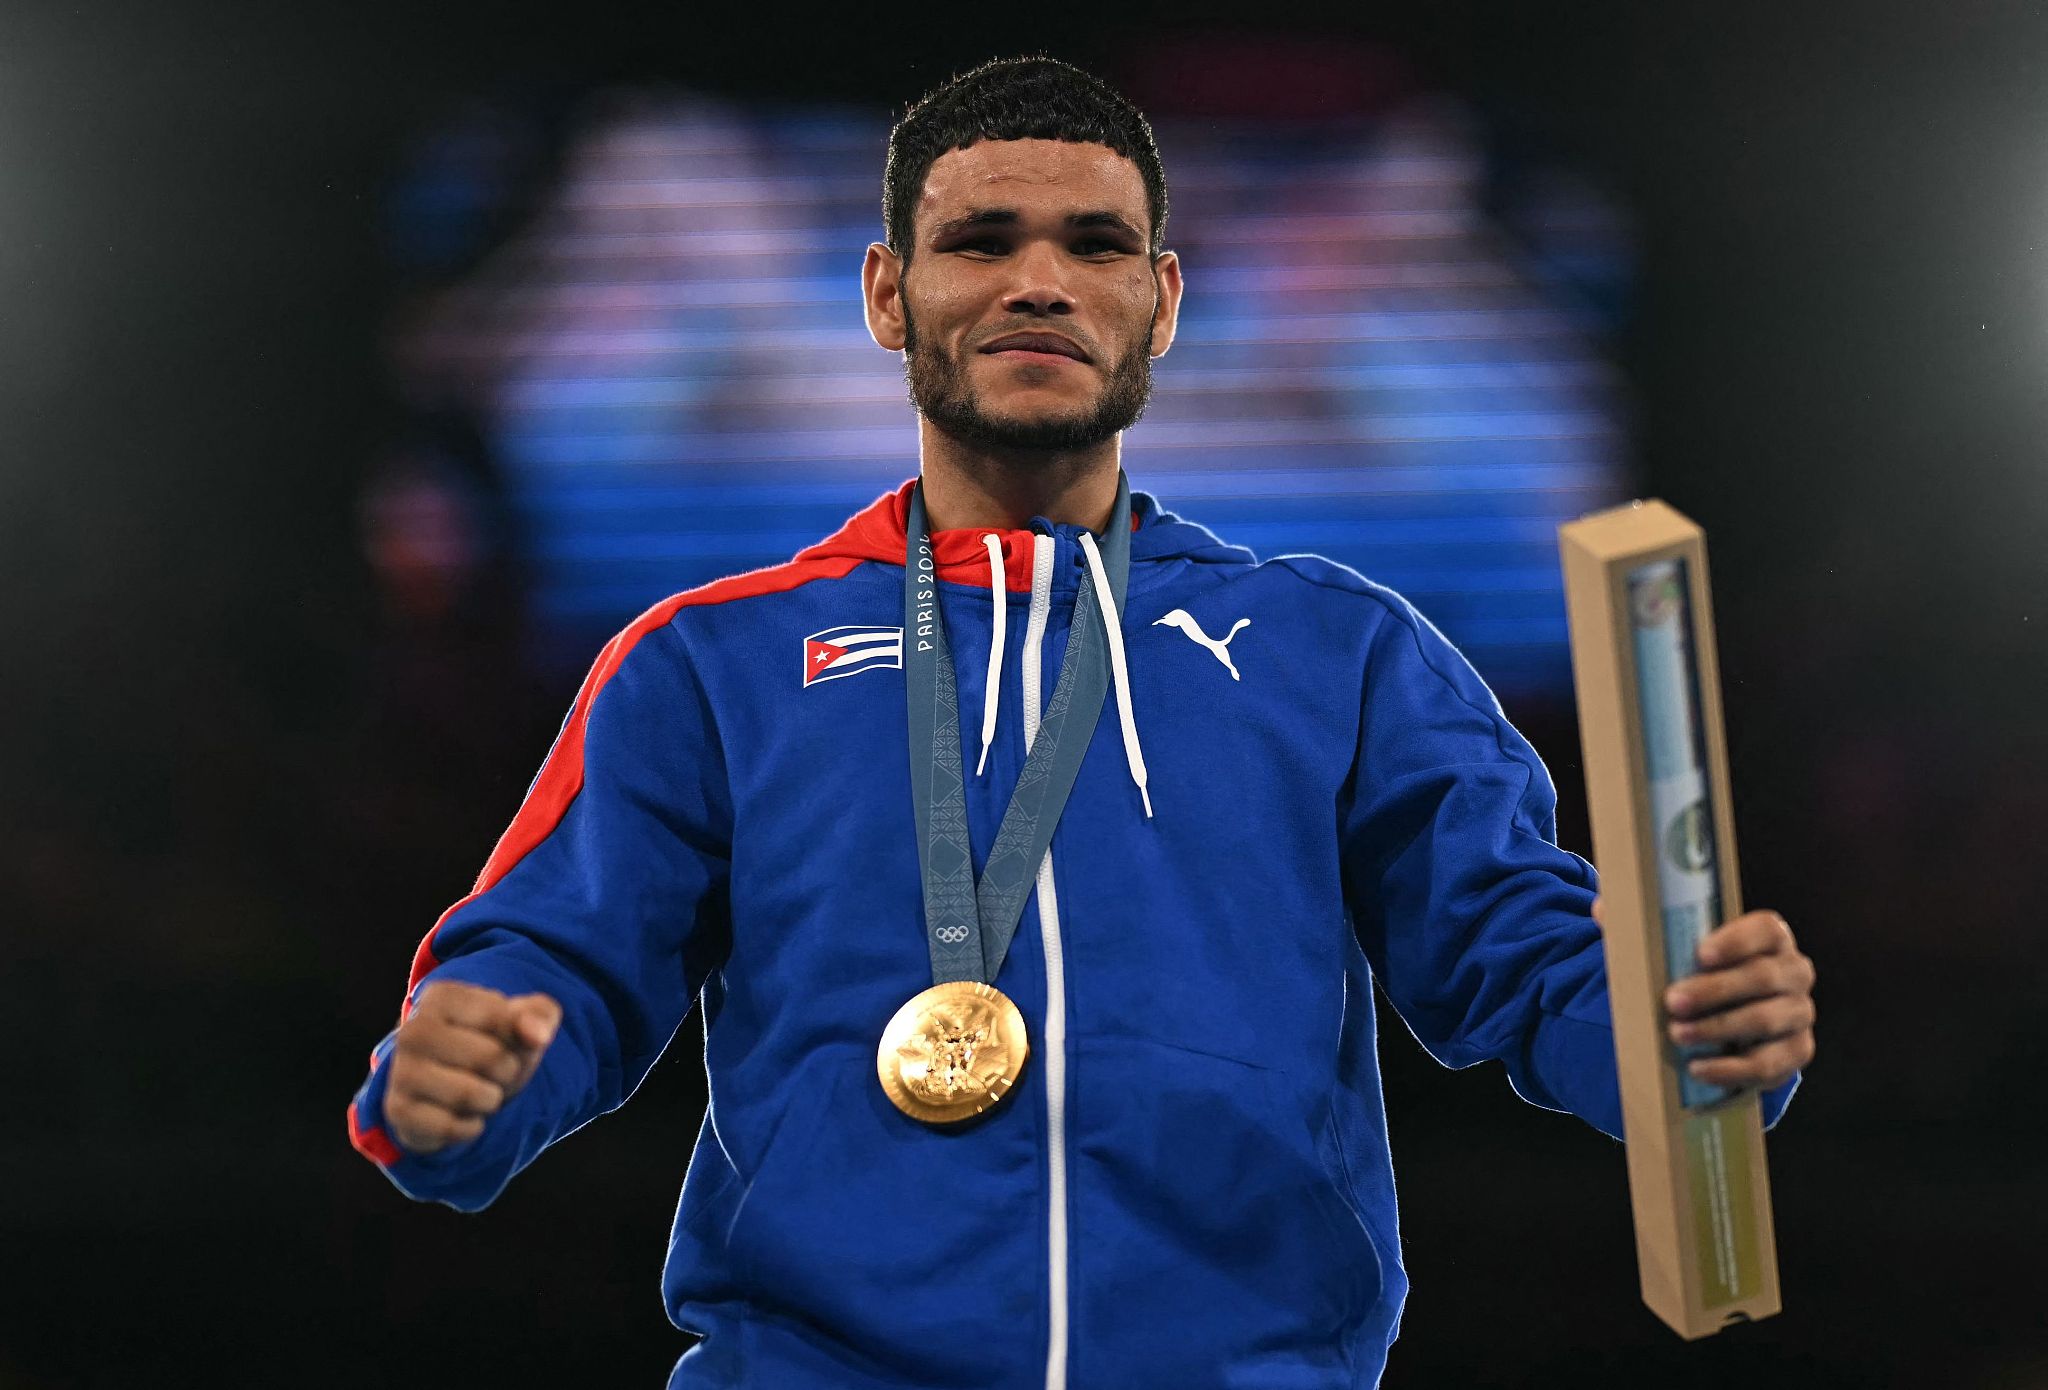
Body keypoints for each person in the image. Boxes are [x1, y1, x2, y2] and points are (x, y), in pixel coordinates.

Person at [346, 54, 1818, 1390]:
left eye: (1095, 245)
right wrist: (464, 1072)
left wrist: (1684, 1032)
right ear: (884, 294)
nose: (1037, 281)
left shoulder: (1339, 652)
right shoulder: (711, 662)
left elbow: (1530, 954)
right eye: (980, 242)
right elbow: (551, 968)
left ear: (1162, 302)